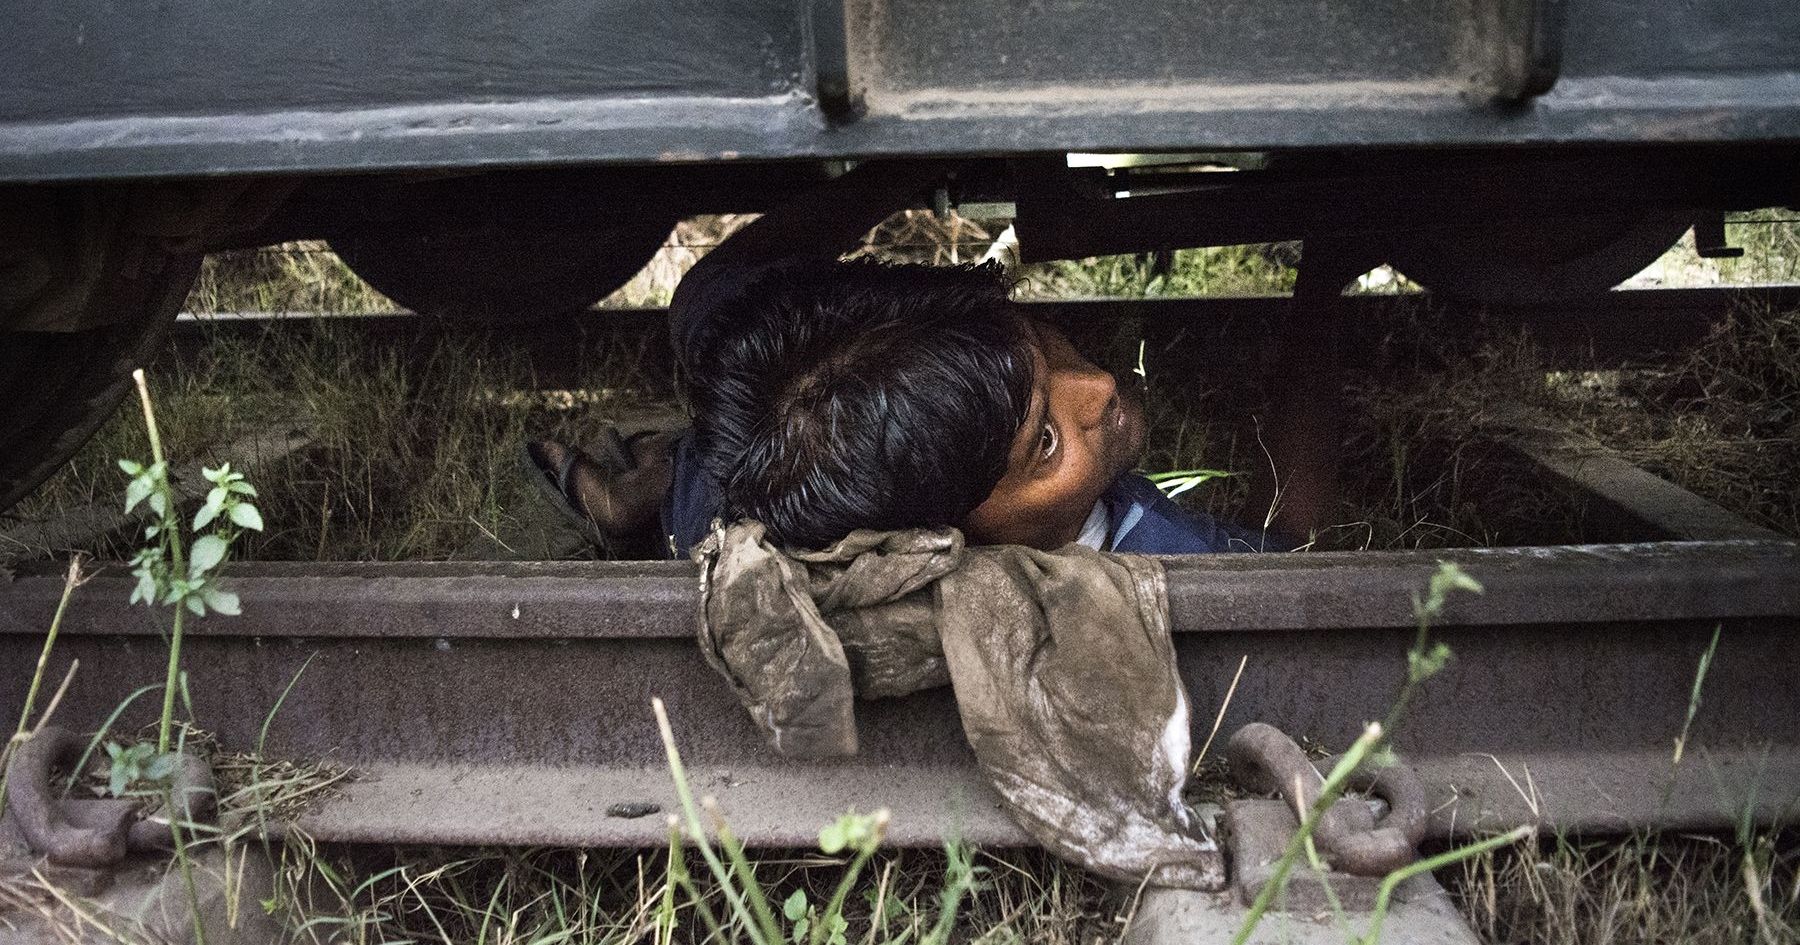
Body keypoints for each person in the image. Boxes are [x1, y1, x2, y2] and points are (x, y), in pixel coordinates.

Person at [525, 165, 1275, 558]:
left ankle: (637, 488)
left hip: (712, 485)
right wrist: (1317, 297)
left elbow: (712, 288)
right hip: (706, 506)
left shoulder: (781, 392)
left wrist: (902, 167)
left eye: (1041, 341)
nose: (1101, 383)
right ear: (950, 536)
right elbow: (1293, 539)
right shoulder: (1160, 553)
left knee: (702, 364)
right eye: (1044, 441)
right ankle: (634, 494)